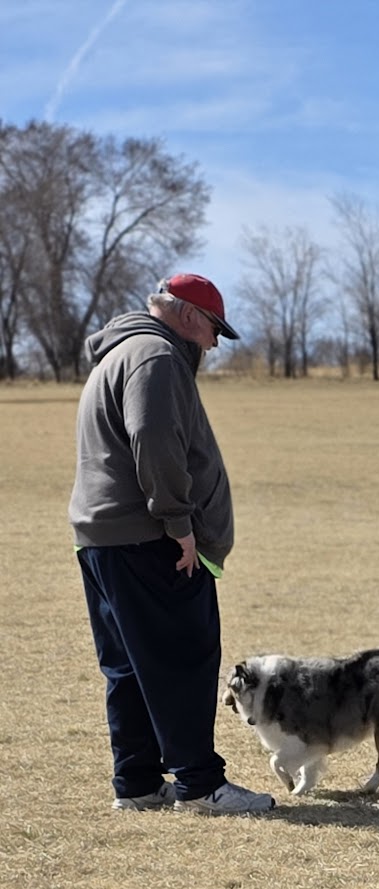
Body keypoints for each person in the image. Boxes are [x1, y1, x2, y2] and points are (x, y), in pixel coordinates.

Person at [69, 272, 274, 813]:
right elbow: (154, 440)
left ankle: (137, 783)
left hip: (104, 539)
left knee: (129, 666)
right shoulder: (155, 356)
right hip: (149, 539)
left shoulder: (119, 352)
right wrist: (179, 525)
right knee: (183, 659)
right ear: (187, 314)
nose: (213, 344)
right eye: (213, 330)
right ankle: (200, 785)